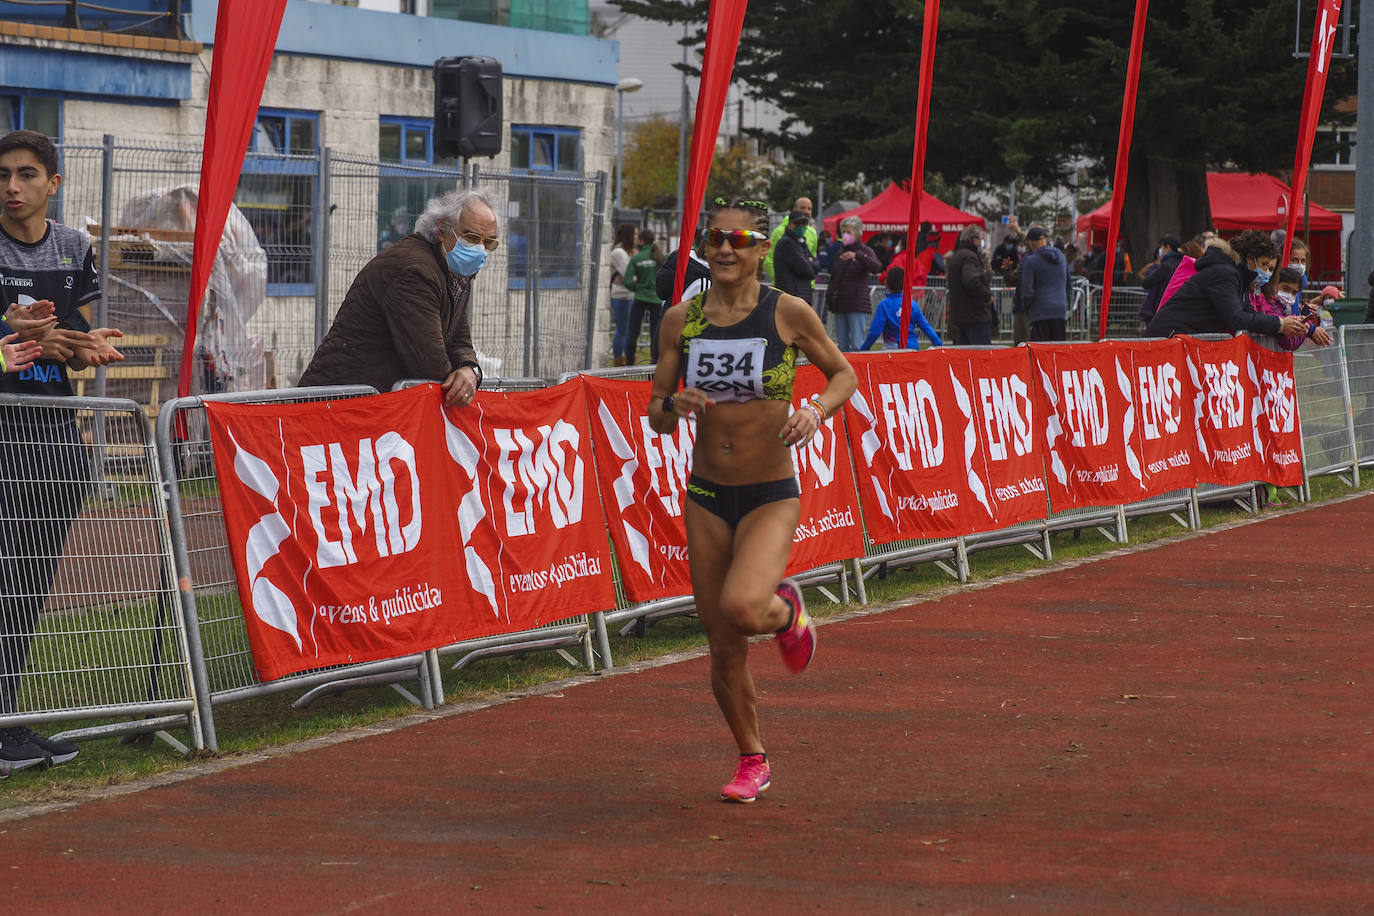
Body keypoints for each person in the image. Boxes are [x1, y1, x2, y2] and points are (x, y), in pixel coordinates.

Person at [647, 196, 857, 804]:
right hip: (708, 493)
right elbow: (657, 412)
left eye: (738, 240)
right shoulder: (681, 319)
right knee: (723, 641)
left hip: (769, 491)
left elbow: (843, 374)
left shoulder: (787, 312)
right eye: (715, 239)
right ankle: (752, 757)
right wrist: (674, 405)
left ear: (763, 248)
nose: (724, 249)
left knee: (744, 607)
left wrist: (815, 411)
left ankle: (787, 611)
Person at [0, 129, 125, 773]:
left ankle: (10, 721)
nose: (12, 187)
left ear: (53, 184)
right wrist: (13, 336)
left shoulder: (75, 245)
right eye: (2, 175)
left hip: (54, 437)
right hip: (4, 431)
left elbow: (70, 334)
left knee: (27, 586)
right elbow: (15, 342)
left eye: (26, 175)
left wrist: (79, 342)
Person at [300, 187, 491, 403]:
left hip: (370, 403)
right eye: (472, 238)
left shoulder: (455, 272)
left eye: (489, 242)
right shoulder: (416, 271)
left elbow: (459, 339)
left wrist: (470, 370)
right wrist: (460, 382)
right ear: (442, 229)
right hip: (339, 404)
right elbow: (430, 362)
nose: (481, 250)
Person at [1145, 237, 1307, 340]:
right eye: (1264, 264)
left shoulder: (1236, 277)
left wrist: (1290, 323)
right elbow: (1235, 317)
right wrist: (1279, 324)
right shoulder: (1225, 274)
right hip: (1169, 338)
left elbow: (1250, 313)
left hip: (1180, 338)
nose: (1266, 272)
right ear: (1250, 259)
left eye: (1270, 268)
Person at [824, 216, 882, 351]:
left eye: (849, 232)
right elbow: (834, 278)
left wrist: (858, 256)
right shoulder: (840, 252)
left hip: (857, 305)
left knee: (857, 344)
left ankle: (860, 372)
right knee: (842, 346)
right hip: (840, 304)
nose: (845, 235)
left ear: (857, 233)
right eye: (843, 232)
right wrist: (830, 298)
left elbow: (877, 267)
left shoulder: (865, 251)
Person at [859, 267, 943, 351]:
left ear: (886, 284)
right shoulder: (912, 304)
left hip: (892, 351)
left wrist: (864, 348)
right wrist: (940, 345)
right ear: (905, 284)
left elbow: (875, 332)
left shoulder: (884, 306)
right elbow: (926, 327)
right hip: (912, 349)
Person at [1017, 226, 1071, 342]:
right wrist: (1067, 303)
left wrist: (1027, 307)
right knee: (1058, 350)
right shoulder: (1061, 257)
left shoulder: (1031, 261)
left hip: (1040, 312)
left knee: (1040, 353)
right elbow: (1068, 284)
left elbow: (1027, 290)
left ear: (1030, 243)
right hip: (1060, 310)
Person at [946, 224, 997, 345]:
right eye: (981, 239)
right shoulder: (970, 257)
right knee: (980, 358)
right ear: (975, 240)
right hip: (975, 316)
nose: (982, 242)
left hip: (959, 317)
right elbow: (971, 280)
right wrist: (986, 296)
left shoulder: (956, 256)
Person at [624, 228, 665, 363]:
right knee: (656, 332)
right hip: (656, 298)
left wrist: (638, 287)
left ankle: (629, 363)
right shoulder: (661, 256)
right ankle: (654, 362)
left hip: (640, 297)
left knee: (633, 332)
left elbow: (627, 281)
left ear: (641, 241)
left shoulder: (636, 258)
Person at [763, 196, 818, 284]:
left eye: (809, 209)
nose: (806, 211)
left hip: (806, 287)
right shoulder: (779, 231)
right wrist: (782, 280)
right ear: (794, 209)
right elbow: (769, 261)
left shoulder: (813, 233)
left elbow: (813, 261)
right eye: (803, 208)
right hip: (785, 288)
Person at [1138, 235, 1184, 332]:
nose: (1160, 250)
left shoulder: (1165, 266)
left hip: (1163, 307)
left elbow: (1147, 282)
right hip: (1179, 306)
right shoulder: (1182, 263)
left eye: (1162, 247)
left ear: (1168, 247)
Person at [771, 208, 818, 302]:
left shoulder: (801, 242)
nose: (801, 226)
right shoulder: (786, 243)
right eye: (797, 223)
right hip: (791, 296)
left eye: (804, 223)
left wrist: (810, 262)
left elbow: (817, 265)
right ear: (789, 224)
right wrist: (810, 262)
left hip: (801, 296)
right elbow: (806, 270)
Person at [608, 222, 637, 367]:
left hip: (630, 295)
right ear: (629, 235)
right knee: (622, 329)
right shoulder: (619, 252)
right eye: (635, 234)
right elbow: (629, 275)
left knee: (629, 330)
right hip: (621, 295)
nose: (637, 238)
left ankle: (628, 359)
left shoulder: (629, 251)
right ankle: (619, 361)